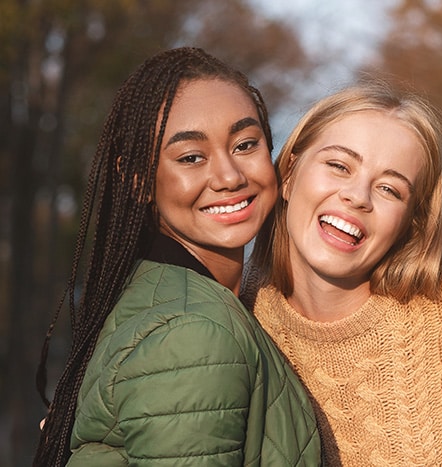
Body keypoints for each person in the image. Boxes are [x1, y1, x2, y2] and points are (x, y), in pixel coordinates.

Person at [33, 47, 321, 466]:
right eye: (191, 157)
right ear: (139, 181)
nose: (229, 176)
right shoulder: (193, 333)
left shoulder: (160, 295)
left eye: (245, 144)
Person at [243, 81, 442, 466]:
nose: (358, 196)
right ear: (291, 173)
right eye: (338, 166)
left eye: (390, 189)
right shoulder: (238, 317)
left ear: (411, 223)